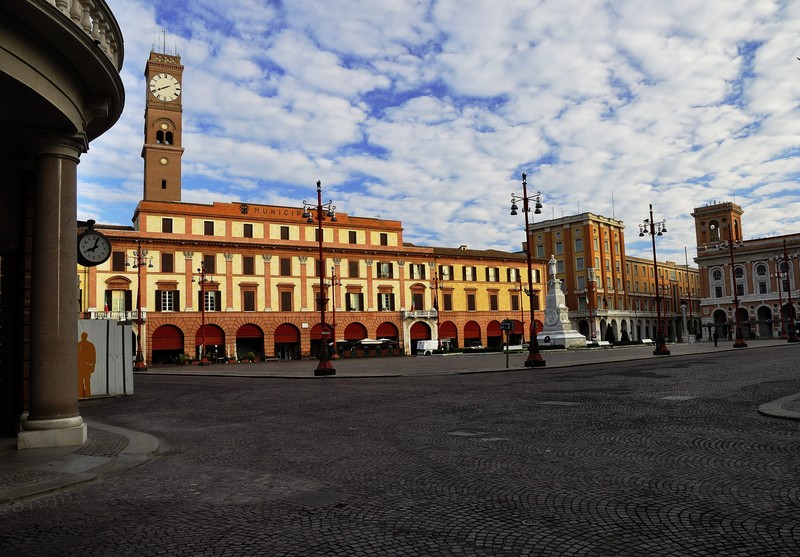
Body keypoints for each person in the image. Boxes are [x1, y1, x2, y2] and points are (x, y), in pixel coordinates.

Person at [78, 332, 96, 398]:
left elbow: (93, 356)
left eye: (84, 336)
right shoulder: (89, 345)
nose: (83, 337)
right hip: (82, 367)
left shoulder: (80, 344)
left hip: (84, 367)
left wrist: (92, 365)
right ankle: (84, 395)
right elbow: (93, 356)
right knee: (83, 382)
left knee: (85, 382)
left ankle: (84, 395)